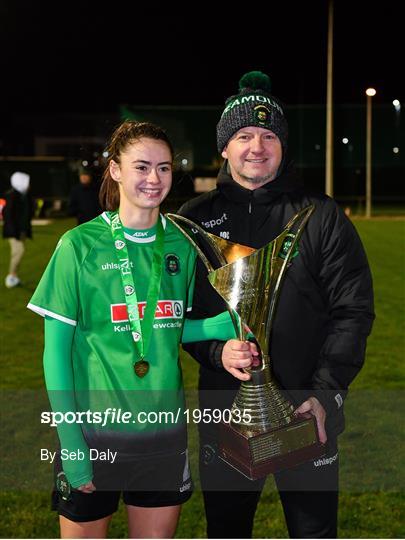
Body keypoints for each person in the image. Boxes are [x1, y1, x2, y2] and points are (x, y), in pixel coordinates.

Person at [27, 121, 254, 538]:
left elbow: (163, 327)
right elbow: (55, 353)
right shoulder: (79, 246)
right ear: (115, 170)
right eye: (142, 167)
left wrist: (215, 327)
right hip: (95, 435)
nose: (154, 179)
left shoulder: (182, 245)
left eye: (165, 168)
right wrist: (72, 442)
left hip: (163, 438)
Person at [178, 71, 375, 538]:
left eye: (269, 136)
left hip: (308, 410)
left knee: (313, 531)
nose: (257, 146)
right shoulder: (193, 220)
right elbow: (175, 315)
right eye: (244, 135)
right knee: (227, 530)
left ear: (283, 147)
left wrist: (326, 392)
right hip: (226, 412)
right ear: (225, 147)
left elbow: (353, 309)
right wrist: (213, 351)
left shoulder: (320, 215)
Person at [3, 171, 33, 288]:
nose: (29, 184)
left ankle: (14, 276)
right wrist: (15, 231)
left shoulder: (24, 195)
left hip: (20, 231)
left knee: (18, 252)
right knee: (19, 251)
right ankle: (10, 276)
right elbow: (8, 216)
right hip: (14, 232)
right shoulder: (12, 196)